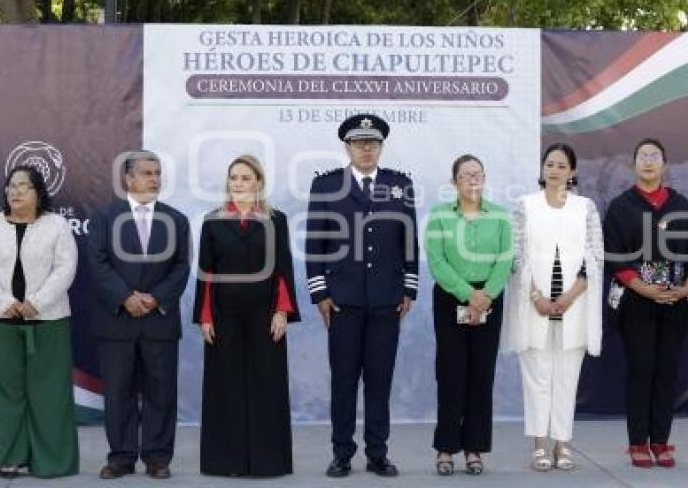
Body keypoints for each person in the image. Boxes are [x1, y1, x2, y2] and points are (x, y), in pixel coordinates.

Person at [305, 113, 419, 478]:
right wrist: (320, 292)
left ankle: (377, 453)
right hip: (342, 300)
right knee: (343, 381)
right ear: (347, 147)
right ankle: (341, 453)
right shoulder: (326, 186)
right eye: (359, 143)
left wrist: (409, 288)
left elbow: (409, 241)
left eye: (372, 143)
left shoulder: (399, 185)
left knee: (380, 381)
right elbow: (315, 243)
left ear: (381, 147)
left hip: (387, 299)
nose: (366, 149)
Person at [193, 155, 300, 477]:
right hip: (224, 315)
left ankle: (268, 462)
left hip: (264, 314)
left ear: (259, 183)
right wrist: (206, 317)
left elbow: (283, 269)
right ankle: (226, 461)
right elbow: (206, 273)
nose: (238, 183)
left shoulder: (275, 220)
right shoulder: (213, 221)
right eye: (234, 178)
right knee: (225, 386)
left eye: (245, 178)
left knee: (266, 385)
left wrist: (282, 311)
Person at [88, 150, 191, 480]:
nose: (155, 179)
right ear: (128, 179)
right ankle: (121, 457)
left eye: (158, 172)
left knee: (162, 393)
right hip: (116, 321)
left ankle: (158, 459)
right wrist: (125, 297)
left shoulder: (176, 220)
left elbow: (181, 266)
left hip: (159, 320)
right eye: (147, 173)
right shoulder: (105, 217)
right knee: (119, 393)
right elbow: (98, 262)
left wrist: (155, 298)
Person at [0, 166, 79, 479]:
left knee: (50, 394)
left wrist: (36, 303)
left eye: (23, 186)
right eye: (11, 186)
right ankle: (11, 458)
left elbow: (65, 268)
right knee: (9, 395)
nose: (15, 191)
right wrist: (6, 303)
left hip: (48, 320)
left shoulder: (56, 225)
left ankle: (52, 463)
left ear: (38, 192)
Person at [501, 143, 603, 472]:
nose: (555, 170)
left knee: (567, 377)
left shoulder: (586, 207)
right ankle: (539, 446)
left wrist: (570, 296)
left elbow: (595, 257)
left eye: (561, 165)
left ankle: (563, 444)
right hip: (535, 305)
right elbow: (516, 257)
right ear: (542, 169)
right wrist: (537, 298)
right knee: (537, 376)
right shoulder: (525, 206)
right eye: (550, 164)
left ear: (572, 172)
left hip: (574, 303)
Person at [603, 138, 688, 468]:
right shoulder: (621, 206)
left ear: (665, 164)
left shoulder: (681, 205)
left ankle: (660, 441)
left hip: (675, 300)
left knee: (667, 371)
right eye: (642, 156)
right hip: (637, 302)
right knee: (641, 370)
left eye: (654, 156)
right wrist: (644, 288)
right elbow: (615, 258)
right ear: (634, 164)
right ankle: (637, 443)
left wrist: (686, 284)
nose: (648, 161)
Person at [425, 154, 513, 476]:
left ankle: (474, 449)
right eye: (465, 175)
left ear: (485, 178)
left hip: (490, 298)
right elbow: (437, 263)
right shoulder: (438, 216)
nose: (472, 179)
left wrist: (486, 295)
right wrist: (468, 294)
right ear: (454, 182)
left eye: (477, 174)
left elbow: (504, 262)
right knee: (450, 374)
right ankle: (446, 448)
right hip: (451, 298)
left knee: (481, 375)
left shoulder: (501, 217)